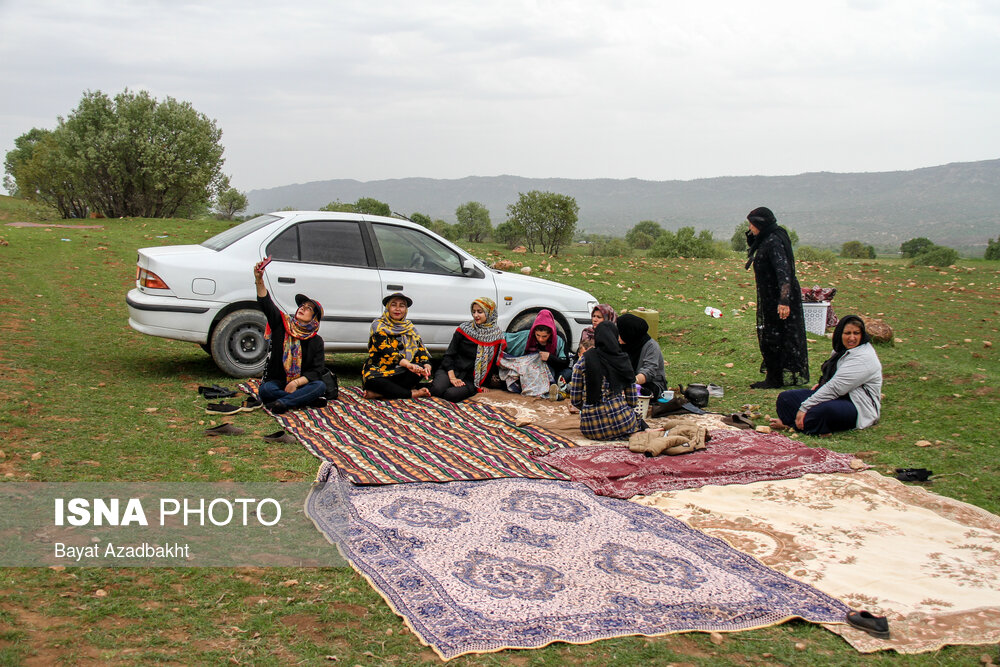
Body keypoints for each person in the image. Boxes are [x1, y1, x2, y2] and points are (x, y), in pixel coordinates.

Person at [772, 315, 882, 435]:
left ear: (862, 335)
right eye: (847, 333)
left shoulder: (863, 357)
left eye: (856, 333)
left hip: (856, 404)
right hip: (836, 397)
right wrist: (820, 386)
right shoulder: (840, 350)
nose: (852, 338)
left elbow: (835, 388)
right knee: (785, 398)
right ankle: (806, 424)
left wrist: (805, 407)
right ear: (840, 334)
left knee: (821, 412)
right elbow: (831, 378)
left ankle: (794, 424)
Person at [744, 206, 809, 388]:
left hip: (778, 298)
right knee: (772, 335)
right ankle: (775, 376)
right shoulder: (766, 238)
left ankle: (775, 379)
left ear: (760, 224)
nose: (750, 228)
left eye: (752, 224)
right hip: (770, 296)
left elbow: (784, 272)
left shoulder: (774, 241)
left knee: (776, 336)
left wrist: (784, 301)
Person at [253, 261, 327, 414]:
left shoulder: (316, 341)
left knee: (320, 386)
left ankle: (282, 402)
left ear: (314, 319)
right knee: (266, 390)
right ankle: (305, 399)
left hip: (301, 384)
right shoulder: (282, 325)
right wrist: (259, 280)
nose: (302, 308)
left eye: (308, 309)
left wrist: (296, 383)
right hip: (278, 381)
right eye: (302, 306)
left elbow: (317, 370)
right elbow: (267, 304)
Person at [568, 321, 644, 440]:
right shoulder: (622, 360)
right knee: (637, 418)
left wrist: (590, 410)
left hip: (591, 429)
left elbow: (575, 400)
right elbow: (633, 401)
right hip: (623, 423)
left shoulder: (582, 362)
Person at [430, 297, 506, 402]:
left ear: (489, 313)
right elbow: (449, 355)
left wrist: (484, 384)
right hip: (451, 370)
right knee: (437, 390)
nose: (475, 315)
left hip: (471, 378)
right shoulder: (464, 329)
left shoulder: (496, 336)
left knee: (450, 395)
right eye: (473, 311)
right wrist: (452, 378)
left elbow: (491, 363)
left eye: (480, 312)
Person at [361, 293, 432, 400]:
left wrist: (426, 367)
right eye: (394, 305)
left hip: (401, 372)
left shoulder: (410, 328)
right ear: (388, 308)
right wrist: (408, 364)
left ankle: (380, 394)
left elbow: (420, 350)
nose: (397, 309)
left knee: (418, 371)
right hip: (379, 371)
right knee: (372, 381)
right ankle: (412, 394)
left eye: (402, 305)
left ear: (406, 309)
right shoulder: (378, 325)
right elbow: (388, 351)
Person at [498, 309, 570, 397]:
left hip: (549, 370)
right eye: (538, 335)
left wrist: (550, 357)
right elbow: (505, 339)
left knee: (567, 373)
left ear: (551, 333)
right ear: (534, 332)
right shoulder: (526, 335)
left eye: (544, 336)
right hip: (528, 369)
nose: (540, 339)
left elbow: (565, 363)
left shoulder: (559, 339)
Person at [616, 313, 667, 398]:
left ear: (629, 333)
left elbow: (649, 371)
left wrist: (632, 382)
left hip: (650, 384)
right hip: (625, 383)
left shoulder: (651, 346)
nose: (618, 336)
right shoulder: (622, 343)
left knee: (643, 392)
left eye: (620, 333)